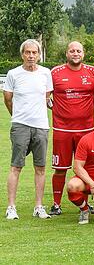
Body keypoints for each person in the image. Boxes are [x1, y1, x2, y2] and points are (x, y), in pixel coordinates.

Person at [49, 41, 94, 216]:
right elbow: (46, 94)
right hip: (62, 129)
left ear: (83, 53)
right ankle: (56, 204)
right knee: (60, 168)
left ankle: (86, 204)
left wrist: (88, 108)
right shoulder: (55, 72)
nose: (75, 53)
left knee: (86, 167)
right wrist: (55, 107)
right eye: (72, 51)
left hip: (86, 129)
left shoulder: (93, 72)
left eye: (78, 51)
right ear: (67, 53)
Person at [4, 39, 53, 220]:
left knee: (40, 167)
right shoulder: (13, 74)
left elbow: (46, 98)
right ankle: (11, 207)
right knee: (16, 166)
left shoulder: (46, 73)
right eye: (28, 52)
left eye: (34, 53)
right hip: (20, 126)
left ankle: (39, 207)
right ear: (22, 54)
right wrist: (17, 117)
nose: (31, 56)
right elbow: (8, 99)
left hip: (41, 126)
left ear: (39, 55)